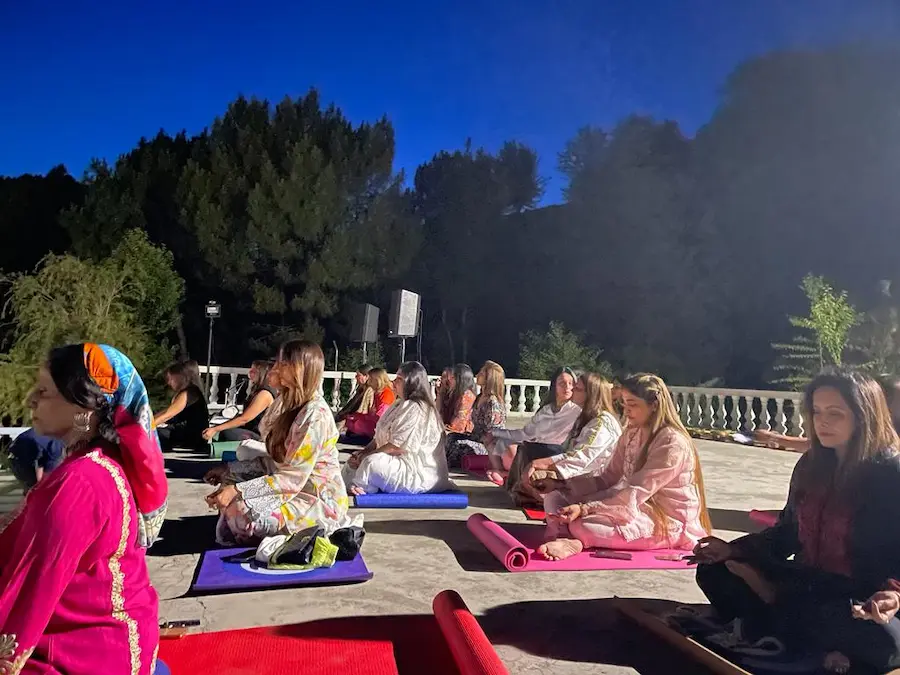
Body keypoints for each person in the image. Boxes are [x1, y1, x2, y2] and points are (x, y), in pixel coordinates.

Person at [693, 370, 900, 674]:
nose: (822, 422)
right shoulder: (811, 464)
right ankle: (790, 618)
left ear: (864, 416)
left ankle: (772, 609)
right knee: (713, 570)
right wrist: (735, 550)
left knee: (880, 640)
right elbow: (788, 532)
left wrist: (893, 592)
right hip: (808, 581)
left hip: (861, 595)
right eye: (816, 412)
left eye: (835, 413)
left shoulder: (890, 474)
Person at [0, 343, 167, 674]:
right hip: (115, 634)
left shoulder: (81, 482)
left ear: (87, 407)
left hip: (93, 650)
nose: (31, 399)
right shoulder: (92, 464)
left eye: (45, 391)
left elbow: (32, 589)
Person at [538, 373, 712, 561]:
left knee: (583, 525)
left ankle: (575, 538)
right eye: (624, 404)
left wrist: (585, 508)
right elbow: (607, 479)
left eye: (633, 404)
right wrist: (561, 485)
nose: (626, 411)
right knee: (555, 497)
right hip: (633, 505)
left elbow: (635, 492)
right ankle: (570, 533)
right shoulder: (631, 433)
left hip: (667, 519)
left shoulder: (672, 443)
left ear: (654, 405)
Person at [205, 341, 350, 545]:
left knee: (240, 509)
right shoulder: (285, 403)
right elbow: (275, 462)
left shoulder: (314, 415)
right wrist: (229, 470)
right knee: (230, 485)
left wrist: (238, 490)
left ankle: (291, 529)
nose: (274, 369)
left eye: (282, 364)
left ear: (299, 369)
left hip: (313, 497)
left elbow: (292, 478)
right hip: (289, 486)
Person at [343, 361, 452, 495]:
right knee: (351, 463)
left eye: (399, 379)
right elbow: (378, 438)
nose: (393, 382)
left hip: (416, 473)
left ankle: (362, 489)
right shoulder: (398, 404)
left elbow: (397, 447)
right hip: (394, 462)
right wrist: (362, 453)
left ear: (412, 382)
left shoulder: (417, 408)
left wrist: (366, 457)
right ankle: (357, 484)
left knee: (371, 462)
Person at [486, 366, 581, 490]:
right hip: (536, 446)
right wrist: (496, 433)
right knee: (496, 442)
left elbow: (525, 435)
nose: (567, 387)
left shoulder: (576, 410)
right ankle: (502, 472)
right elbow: (526, 433)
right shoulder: (546, 409)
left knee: (510, 447)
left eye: (571, 383)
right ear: (554, 386)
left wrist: (497, 432)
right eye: (562, 383)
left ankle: (507, 474)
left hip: (554, 452)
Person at [528, 372, 623, 493]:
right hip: (580, 475)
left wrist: (547, 465)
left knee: (542, 486)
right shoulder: (585, 417)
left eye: (577, 389)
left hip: (597, 482)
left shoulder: (602, 423)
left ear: (590, 395)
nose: (571, 389)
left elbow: (581, 456)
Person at [445, 361, 508, 467]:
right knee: (451, 438)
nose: (477, 375)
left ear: (489, 379)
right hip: (476, 438)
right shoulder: (479, 397)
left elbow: (492, 434)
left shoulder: (492, 403)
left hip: (488, 447)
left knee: (459, 445)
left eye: (482, 374)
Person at [202, 360, 276, 443]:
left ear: (262, 374)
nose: (250, 373)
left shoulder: (264, 394)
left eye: (254, 371)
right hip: (249, 429)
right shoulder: (257, 391)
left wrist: (215, 429)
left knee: (226, 432)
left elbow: (244, 419)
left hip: (259, 435)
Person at [154, 359, 210, 451]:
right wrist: (150, 419)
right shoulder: (189, 391)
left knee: (155, 434)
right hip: (187, 434)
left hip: (190, 437)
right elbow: (167, 411)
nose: (168, 383)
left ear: (179, 377)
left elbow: (168, 415)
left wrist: (146, 426)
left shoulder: (189, 393)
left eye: (170, 379)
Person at [342, 368, 397, 444]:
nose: (369, 382)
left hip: (381, 426)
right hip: (375, 422)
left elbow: (380, 417)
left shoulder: (386, 394)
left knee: (354, 423)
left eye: (371, 379)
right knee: (350, 419)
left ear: (377, 380)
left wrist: (363, 417)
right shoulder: (378, 392)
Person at [7, 427, 65, 494]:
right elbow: (45, 473)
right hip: (22, 457)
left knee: (31, 489)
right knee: (39, 489)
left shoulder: (51, 432)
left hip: (14, 456)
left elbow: (40, 463)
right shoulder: (56, 445)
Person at [437, 364, 477, 434]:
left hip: (461, 436)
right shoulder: (454, 394)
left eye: (453, 377)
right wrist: (440, 394)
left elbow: (457, 425)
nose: (449, 380)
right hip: (449, 431)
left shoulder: (467, 397)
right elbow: (439, 414)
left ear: (460, 379)